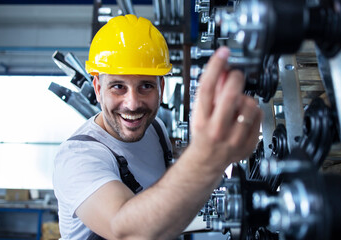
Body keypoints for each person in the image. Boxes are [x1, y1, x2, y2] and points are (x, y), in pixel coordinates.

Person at [53, 14, 262, 240]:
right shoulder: (77, 158)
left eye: (145, 86)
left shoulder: (155, 129)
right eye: (118, 87)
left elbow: (164, 202)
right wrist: (205, 158)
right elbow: (124, 231)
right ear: (97, 88)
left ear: (161, 87)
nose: (132, 104)